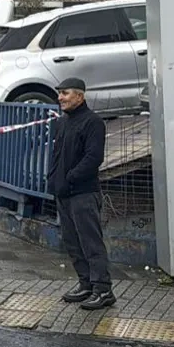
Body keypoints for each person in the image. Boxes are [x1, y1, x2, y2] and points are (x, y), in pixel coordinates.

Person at [49, 78, 114, 311]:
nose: (60, 98)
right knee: (72, 241)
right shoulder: (63, 122)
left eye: (65, 94)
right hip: (64, 194)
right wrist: (53, 180)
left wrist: (70, 178)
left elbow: (93, 158)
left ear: (80, 96)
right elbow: (57, 156)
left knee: (90, 242)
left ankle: (103, 289)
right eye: (59, 94)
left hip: (83, 194)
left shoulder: (93, 123)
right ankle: (85, 283)